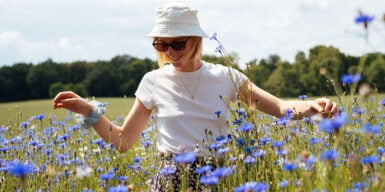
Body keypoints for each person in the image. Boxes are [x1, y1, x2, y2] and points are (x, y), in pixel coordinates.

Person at [53, 2, 338, 191]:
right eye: (162, 44)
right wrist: (87, 111)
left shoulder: (226, 76)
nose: (170, 52)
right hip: (170, 179)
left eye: (177, 44)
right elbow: (123, 142)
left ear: (196, 40)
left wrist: (311, 106)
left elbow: (278, 106)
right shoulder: (152, 81)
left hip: (220, 175)